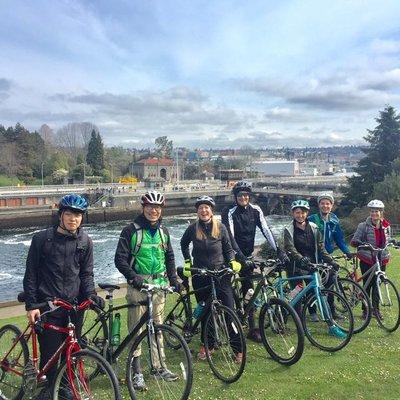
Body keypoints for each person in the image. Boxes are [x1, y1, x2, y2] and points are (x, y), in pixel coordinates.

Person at [23, 194, 100, 400]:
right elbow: (30, 274)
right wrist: (32, 305)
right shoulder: (42, 239)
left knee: (72, 352)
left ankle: (64, 387)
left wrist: (91, 295)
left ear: (83, 218)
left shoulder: (85, 242)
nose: (73, 219)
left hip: (74, 307)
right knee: (51, 354)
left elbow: (86, 274)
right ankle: (49, 388)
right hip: (48, 306)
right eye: (69, 214)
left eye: (78, 215)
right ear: (61, 215)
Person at [114, 190, 180, 391]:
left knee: (158, 328)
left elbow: (169, 257)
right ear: (143, 208)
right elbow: (120, 260)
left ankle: (159, 367)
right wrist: (133, 277)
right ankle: (137, 372)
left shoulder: (164, 232)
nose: (154, 210)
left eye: (157, 207)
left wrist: (174, 278)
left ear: (161, 210)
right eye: (150, 207)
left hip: (159, 286)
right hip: (138, 287)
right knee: (137, 329)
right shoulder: (130, 230)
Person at [221, 180, 289, 342]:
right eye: (240, 195)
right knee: (226, 290)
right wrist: (240, 257)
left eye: (246, 195)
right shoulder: (229, 212)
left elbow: (266, 230)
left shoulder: (256, 210)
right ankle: (226, 321)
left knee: (249, 291)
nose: (243, 198)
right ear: (235, 197)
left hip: (248, 257)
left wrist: (279, 251)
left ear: (249, 196)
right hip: (230, 256)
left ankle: (252, 328)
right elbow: (229, 237)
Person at [180, 195, 243, 361]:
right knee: (205, 313)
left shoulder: (220, 227)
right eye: (200, 207)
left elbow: (228, 248)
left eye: (206, 207)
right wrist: (188, 262)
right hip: (201, 276)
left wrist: (232, 262)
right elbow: (183, 244)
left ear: (211, 210)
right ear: (197, 211)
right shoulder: (192, 228)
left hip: (221, 275)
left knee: (229, 312)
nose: (203, 210)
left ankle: (238, 349)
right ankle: (208, 344)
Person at [283, 200, 345, 337]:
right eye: (297, 212)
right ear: (293, 213)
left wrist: (331, 260)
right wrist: (300, 258)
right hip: (296, 269)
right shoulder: (289, 229)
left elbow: (321, 249)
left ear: (307, 213)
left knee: (318, 295)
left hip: (312, 267)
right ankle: (299, 326)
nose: (300, 215)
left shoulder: (314, 227)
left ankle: (331, 325)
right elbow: (290, 249)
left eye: (303, 212)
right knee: (296, 297)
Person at [350, 199, 391, 319]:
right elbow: (354, 240)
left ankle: (376, 310)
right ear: (370, 212)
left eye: (377, 211)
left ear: (381, 212)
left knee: (377, 284)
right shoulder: (363, 226)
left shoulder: (386, 226)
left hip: (381, 258)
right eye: (372, 211)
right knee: (368, 285)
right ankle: (365, 310)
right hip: (367, 258)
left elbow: (388, 240)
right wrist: (361, 243)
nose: (374, 214)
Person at [308, 193, 353, 258]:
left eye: (327, 204)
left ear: (331, 206)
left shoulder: (334, 222)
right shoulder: (311, 219)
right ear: (319, 205)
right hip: (313, 255)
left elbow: (339, 240)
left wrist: (347, 252)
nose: (325, 206)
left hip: (328, 256)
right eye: (322, 203)